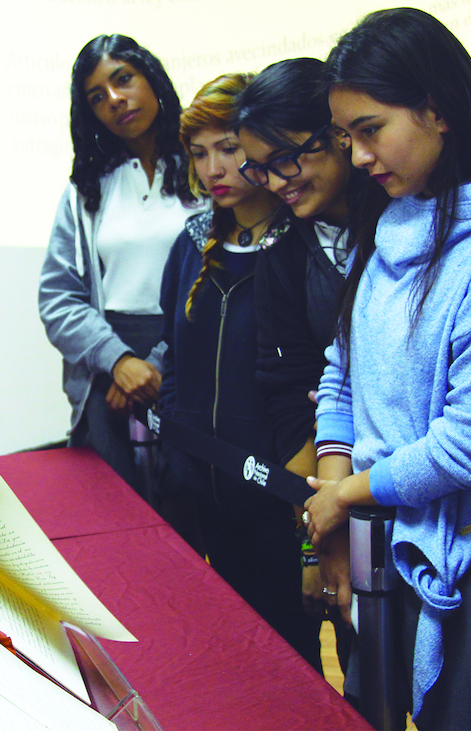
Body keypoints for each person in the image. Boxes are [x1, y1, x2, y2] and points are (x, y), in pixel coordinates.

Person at [304, 7, 471, 728]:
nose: (358, 157)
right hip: (377, 533)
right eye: (346, 136)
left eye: (370, 130)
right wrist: (334, 505)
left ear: (437, 110)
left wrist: (346, 497)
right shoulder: (390, 219)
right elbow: (341, 376)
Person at [156, 73, 320, 671]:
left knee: (290, 658)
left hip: (279, 496)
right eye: (198, 154)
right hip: (205, 490)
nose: (213, 169)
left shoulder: (300, 245)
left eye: (227, 148)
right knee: (227, 656)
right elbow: (173, 356)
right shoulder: (191, 243)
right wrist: (179, 453)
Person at [234, 57, 380, 676]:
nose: (274, 182)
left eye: (286, 159)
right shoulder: (284, 257)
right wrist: (319, 545)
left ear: (339, 136)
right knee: (364, 677)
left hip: (432, 495)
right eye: (259, 168)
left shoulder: (403, 228)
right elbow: (293, 399)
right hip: (342, 499)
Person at [38, 34, 203, 501]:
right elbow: (57, 298)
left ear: (151, 78)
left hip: (192, 360)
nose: (115, 100)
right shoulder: (84, 193)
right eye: (97, 96)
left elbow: (221, 285)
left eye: (123, 79)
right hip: (105, 369)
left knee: (188, 517)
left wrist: (155, 364)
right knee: (116, 521)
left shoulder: (206, 170)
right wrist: (118, 361)